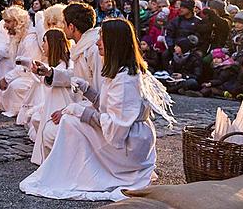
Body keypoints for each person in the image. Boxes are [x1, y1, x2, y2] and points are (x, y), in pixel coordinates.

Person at [20, 18, 173, 201]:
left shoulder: (125, 80)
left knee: (69, 123)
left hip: (129, 146)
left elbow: (116, 128)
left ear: (114, 42)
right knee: (67, 121)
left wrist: (79, 111)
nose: (98, 42)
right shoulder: (119, 72)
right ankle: (75, 172)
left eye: (102, 38)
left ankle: (78, 174)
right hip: (126, 137)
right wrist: (88, 90)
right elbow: (110, 107)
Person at [23, 28, 76, 164]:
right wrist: (38, 71)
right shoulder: (57, 64)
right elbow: (51, 79)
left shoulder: (68, 64)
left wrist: (47, 73)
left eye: (44, 41)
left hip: (63, 105)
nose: (42, 45)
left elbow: (63, 78)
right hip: (53, 106)